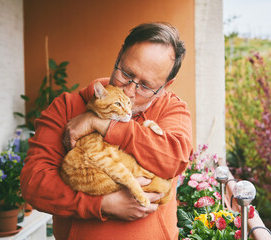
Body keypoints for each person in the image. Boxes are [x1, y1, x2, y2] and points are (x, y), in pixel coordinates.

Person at [20, 22, 193, 240]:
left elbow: (174, 159)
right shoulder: (65, 107)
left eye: (146, 86)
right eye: (126, 73)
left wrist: (103, 125)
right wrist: (101, 204)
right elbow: (34, 184)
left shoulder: (172, 109)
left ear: (165, 86)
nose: (129, 91)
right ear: (119, 56)